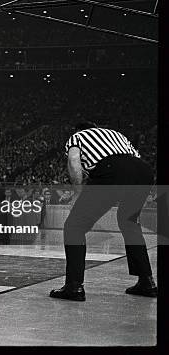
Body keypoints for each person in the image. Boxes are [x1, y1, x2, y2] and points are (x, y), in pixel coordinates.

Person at [50, 122, 157, 301]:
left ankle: (74, 286)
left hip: (111, 170)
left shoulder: (78, 137)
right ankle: (147, 282)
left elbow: (74, 161)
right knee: (129, 222)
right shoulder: (117, 135)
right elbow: (134, 162)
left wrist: (77, 193)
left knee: (74, 226)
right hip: (144, 171)